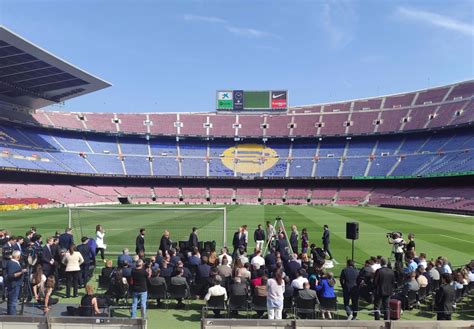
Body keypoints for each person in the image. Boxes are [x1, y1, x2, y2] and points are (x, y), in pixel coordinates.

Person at [6, 250, 27, 315]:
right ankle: (12, 316)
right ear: (18, 256)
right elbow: (11, 275)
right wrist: (21, 272)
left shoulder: (14, 262)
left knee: (11, 301)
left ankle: (10, 314)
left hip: (15, 284)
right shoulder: (12, 263)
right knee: (13, 301)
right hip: (14, 285)